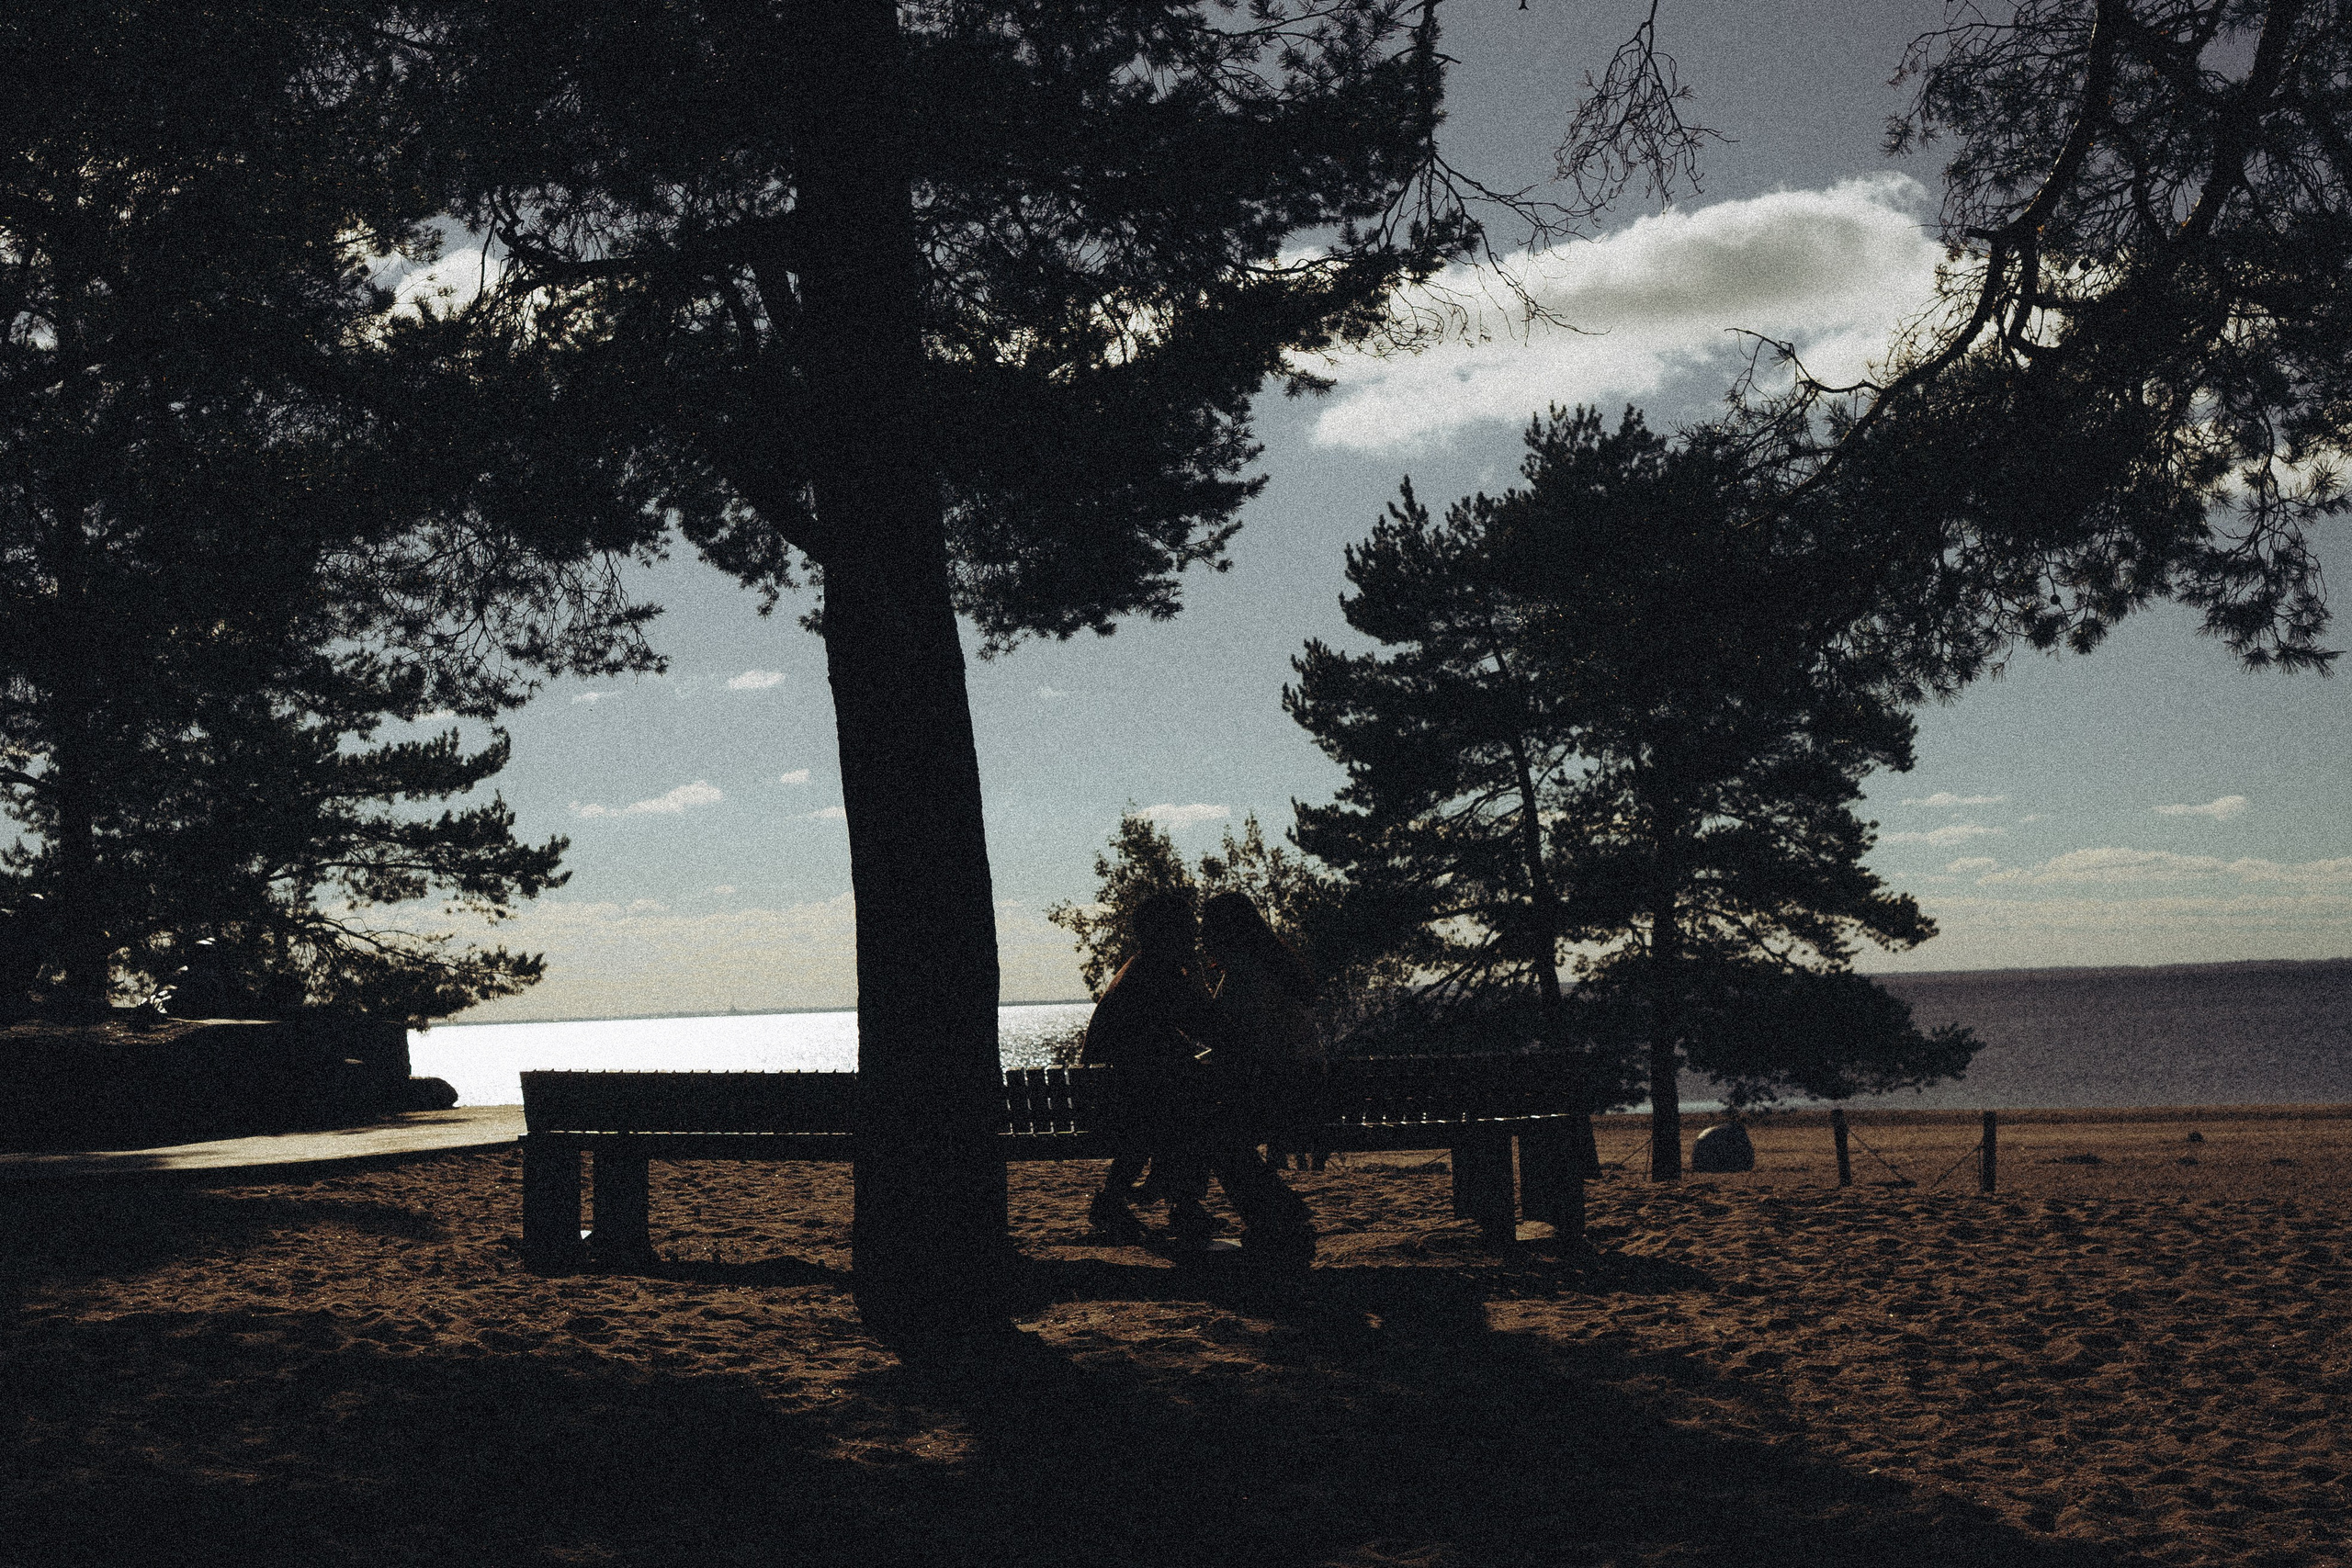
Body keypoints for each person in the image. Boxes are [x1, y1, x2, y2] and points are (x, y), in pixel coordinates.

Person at [1078, 892, 1220, 1244]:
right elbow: (1206, 1025)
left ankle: (1163, 1201)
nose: (1194, 934)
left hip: (1125, 1096)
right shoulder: (1160, 973)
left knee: (1177, 1108)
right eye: (1188, 927)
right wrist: (1201, 977)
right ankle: (1181, 1205)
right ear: (1170, 932)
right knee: (1192, 1112)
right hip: (1139, 1099)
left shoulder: (1138, 969)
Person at [1199, 891, 1324, 1170]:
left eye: (1207, 929)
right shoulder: (1275, 966)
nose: (1202, 938)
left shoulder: (1245, 975)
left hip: (1280, 1092)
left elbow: (1241, 1039)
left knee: (1200, 1120)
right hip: (1303, 1087)